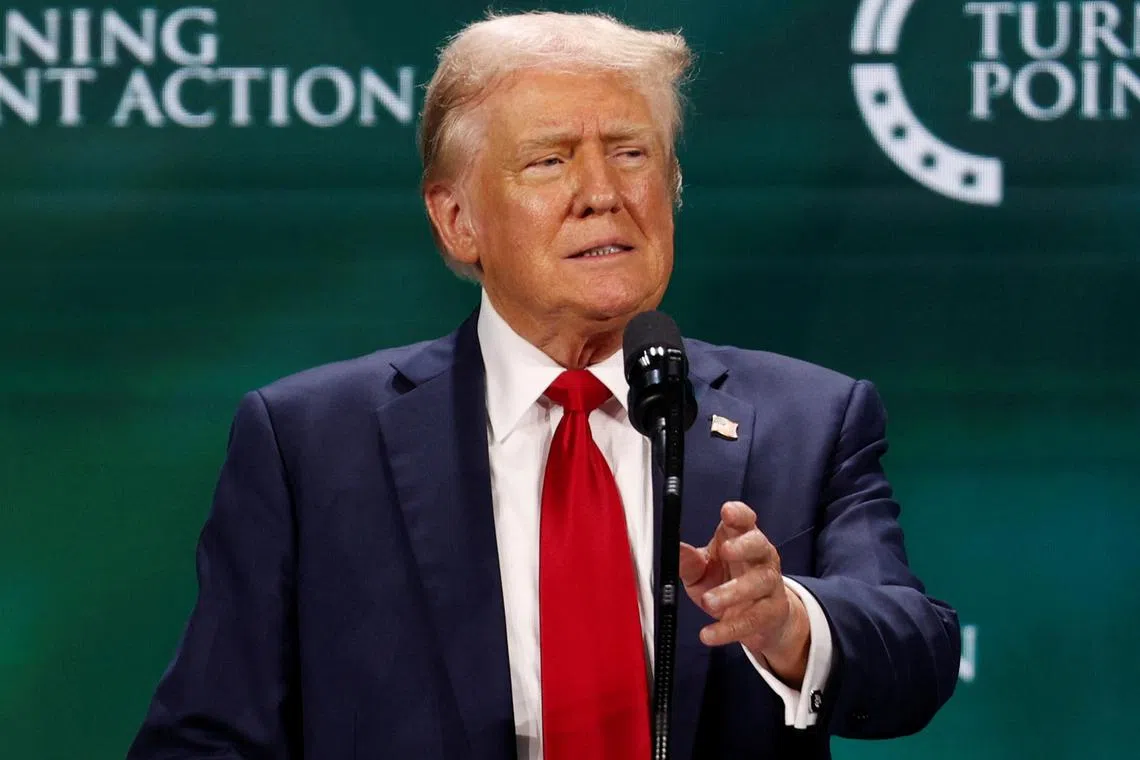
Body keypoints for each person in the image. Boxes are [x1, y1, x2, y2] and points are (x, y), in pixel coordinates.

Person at [127, 11, 960, 760]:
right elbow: (207, 737)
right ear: (458, 219)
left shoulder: (808, 419)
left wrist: (787, 623)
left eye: (632, 154)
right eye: (549, 160)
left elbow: (917, 655)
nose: (602, 195)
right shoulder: (311, 442)